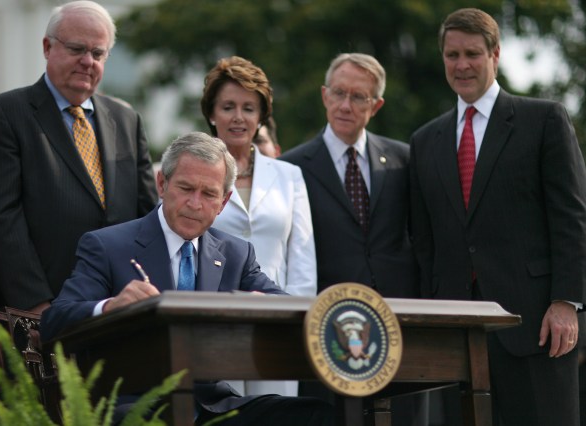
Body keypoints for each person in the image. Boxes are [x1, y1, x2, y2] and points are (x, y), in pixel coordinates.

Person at [41, 132, 335, 426]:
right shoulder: (107, 246)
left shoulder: (236, 253)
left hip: (213, 406)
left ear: (223, 201)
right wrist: (109, 307)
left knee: (315, 414)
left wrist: (263, 306)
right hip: (134, 406)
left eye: (209, 194)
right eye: (185, 188)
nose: (195, 203)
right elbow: (55, 320)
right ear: (162, 184)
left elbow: (286, 305)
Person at [410, 8, 586, 426]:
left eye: (473, 53)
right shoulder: (424, 140)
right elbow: (424, 241)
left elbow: (572, 218)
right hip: (454, 333)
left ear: (496, 54)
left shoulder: (543, 120)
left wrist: (566, 303)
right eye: (452, 55)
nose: (462, 65)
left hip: (536, 327)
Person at [0, 0, 157, 313]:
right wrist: (35, 302)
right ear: (47, 47)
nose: (88, 61)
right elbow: (1, 219)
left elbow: (149, 216)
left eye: (98, 53)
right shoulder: (6, 114)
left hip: (121, 308)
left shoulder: (126, 119)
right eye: (76, 49)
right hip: (46, 306)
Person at [280, 53, 425, 425]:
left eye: (359, 97)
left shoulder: (404, 161)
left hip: (399, 328)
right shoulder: (291, 169)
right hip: (327, 331)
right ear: (324, 95)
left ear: (376, 105)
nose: (346, 105)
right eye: (339, 93)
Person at [201, 56, 315, 397]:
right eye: (228, 106)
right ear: (211, 113)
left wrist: (295, 319)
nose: (238, 117)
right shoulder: (192, 171)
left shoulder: (289, 175)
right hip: (213, 325)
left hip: (276, 326)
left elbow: (303, 259)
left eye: (249, 108)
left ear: (262, 115)